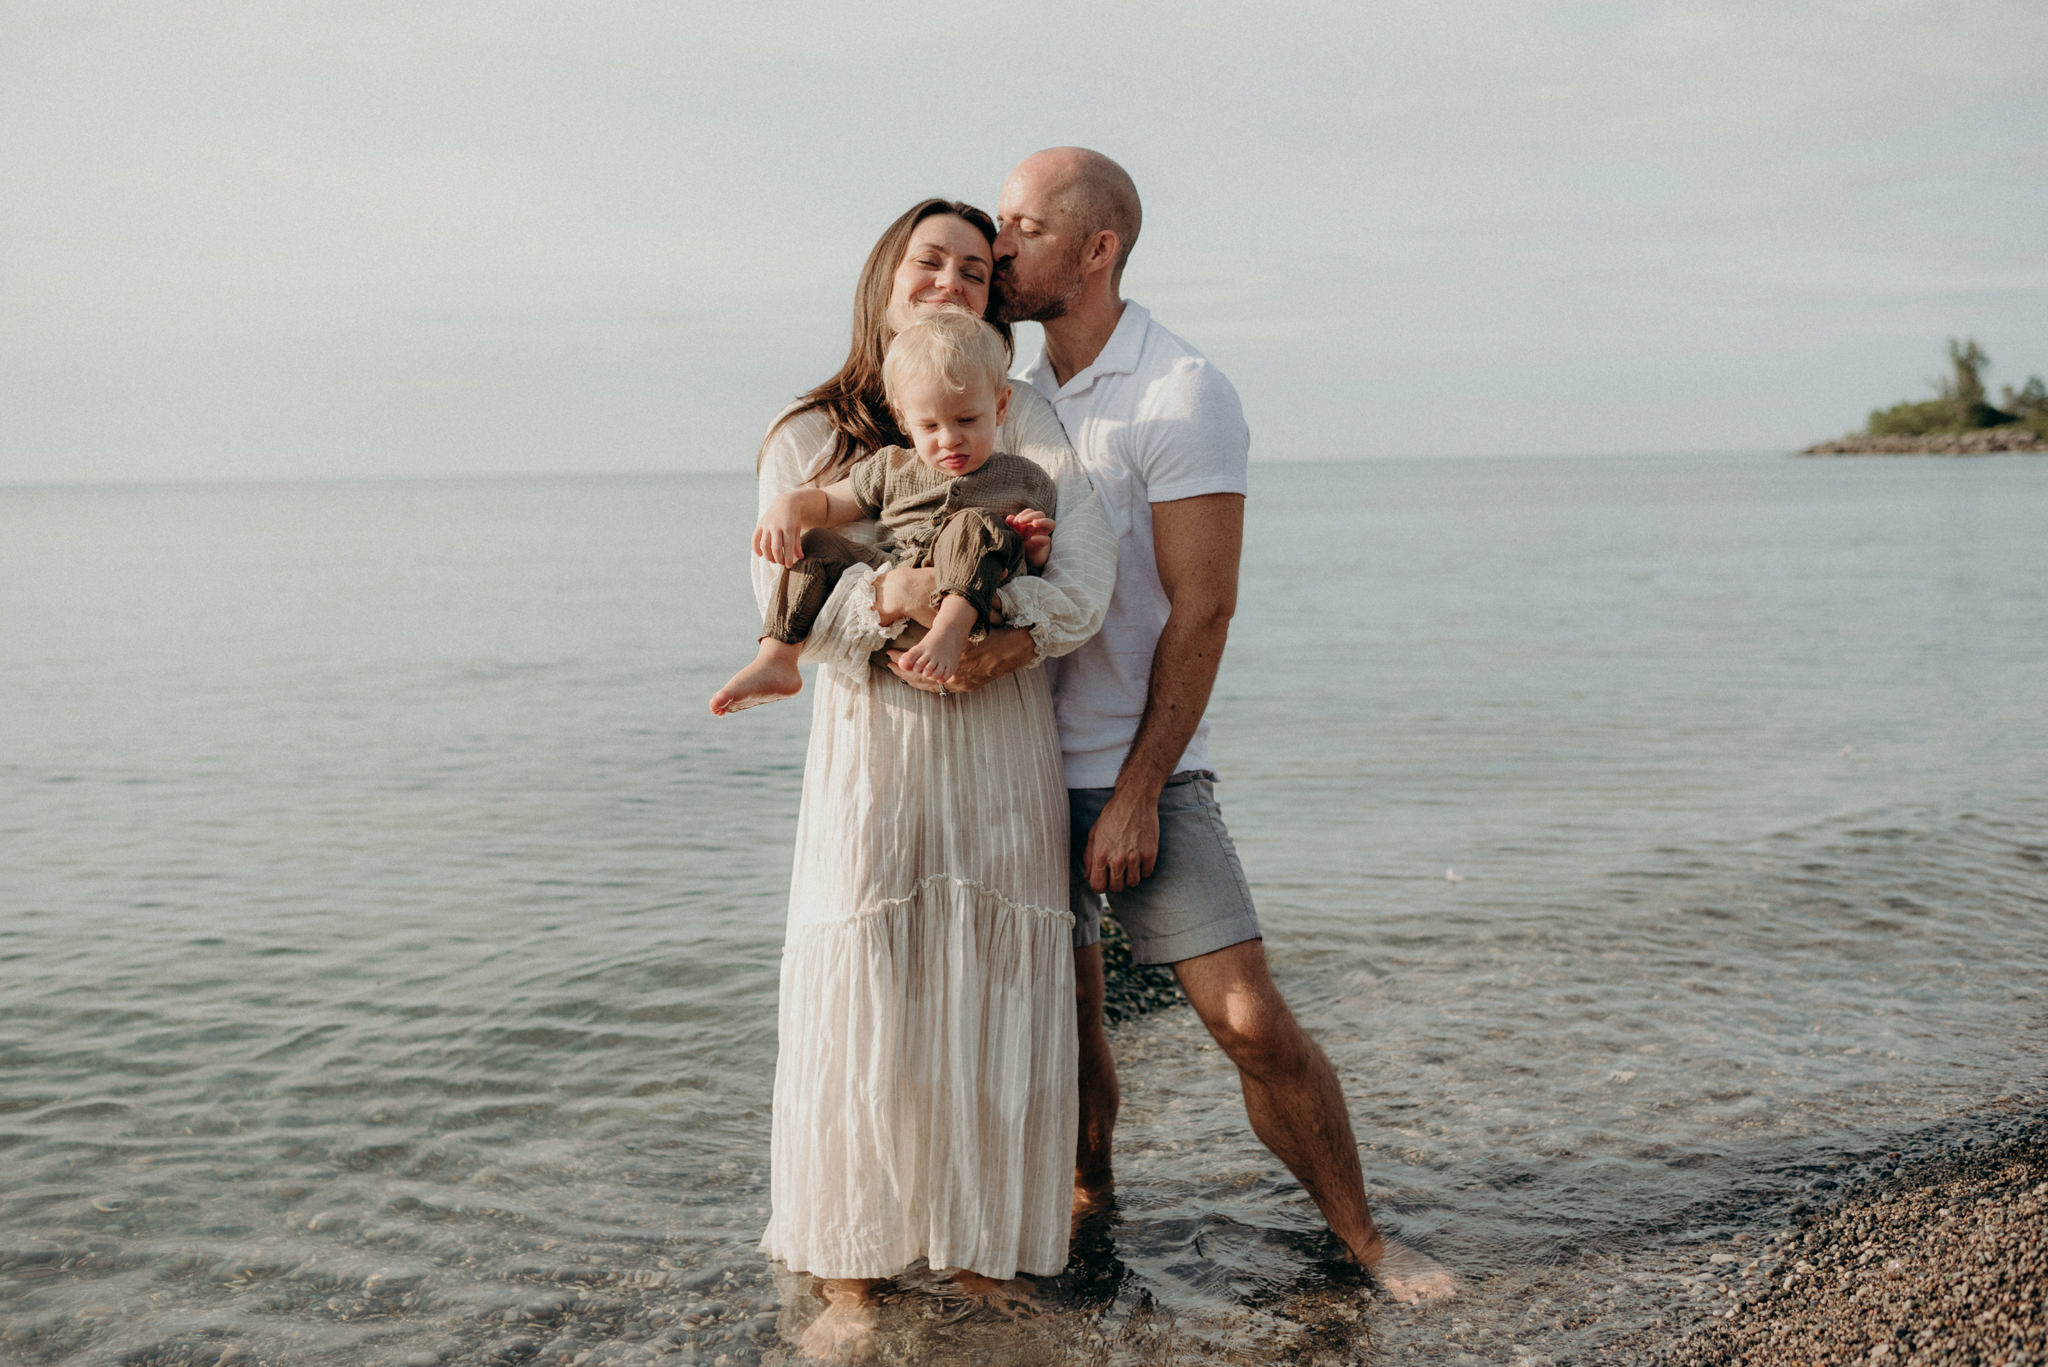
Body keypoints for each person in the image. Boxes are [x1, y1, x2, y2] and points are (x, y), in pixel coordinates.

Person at [993, 146, 1458, 1304]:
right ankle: (1089, 1198)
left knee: (1245, 1017)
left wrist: (1145, 786)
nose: (1000, 246)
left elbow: (1204, 608)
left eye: (1021, 225)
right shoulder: (1007, 390)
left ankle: (1366, 1238)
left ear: (1095, 249)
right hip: (1001, 765)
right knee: (1067, 1014)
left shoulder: (1180, 390)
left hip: (1131, 765)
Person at [744, 197, 1119, 1359]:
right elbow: (785, 597)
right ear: (886, 274)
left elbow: (1086, 576)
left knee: (991, 982)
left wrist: (1007, 630)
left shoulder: (1020, 419)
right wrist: (901, 597)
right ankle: (848, 1267)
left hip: (997, 740)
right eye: (929, 260)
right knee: (863, 979)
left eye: (972, 267)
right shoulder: (812, 432)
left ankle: (973, 1242)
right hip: (873, 749)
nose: (950, 280)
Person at [710, 310, 1058, 715]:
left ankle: (949, 629)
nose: (949, 439)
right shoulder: (890, 467)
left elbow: (1037, 573)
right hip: (893, 567)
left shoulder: (1026, 477)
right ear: (904, 419)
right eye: (929, 426)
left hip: (979, 586)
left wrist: (1035, 549)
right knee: (817, 541)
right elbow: (827, 504)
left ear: (1000, 407)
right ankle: (778, 656)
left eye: (967, 419)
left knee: (974, 524)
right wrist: (788, 504)